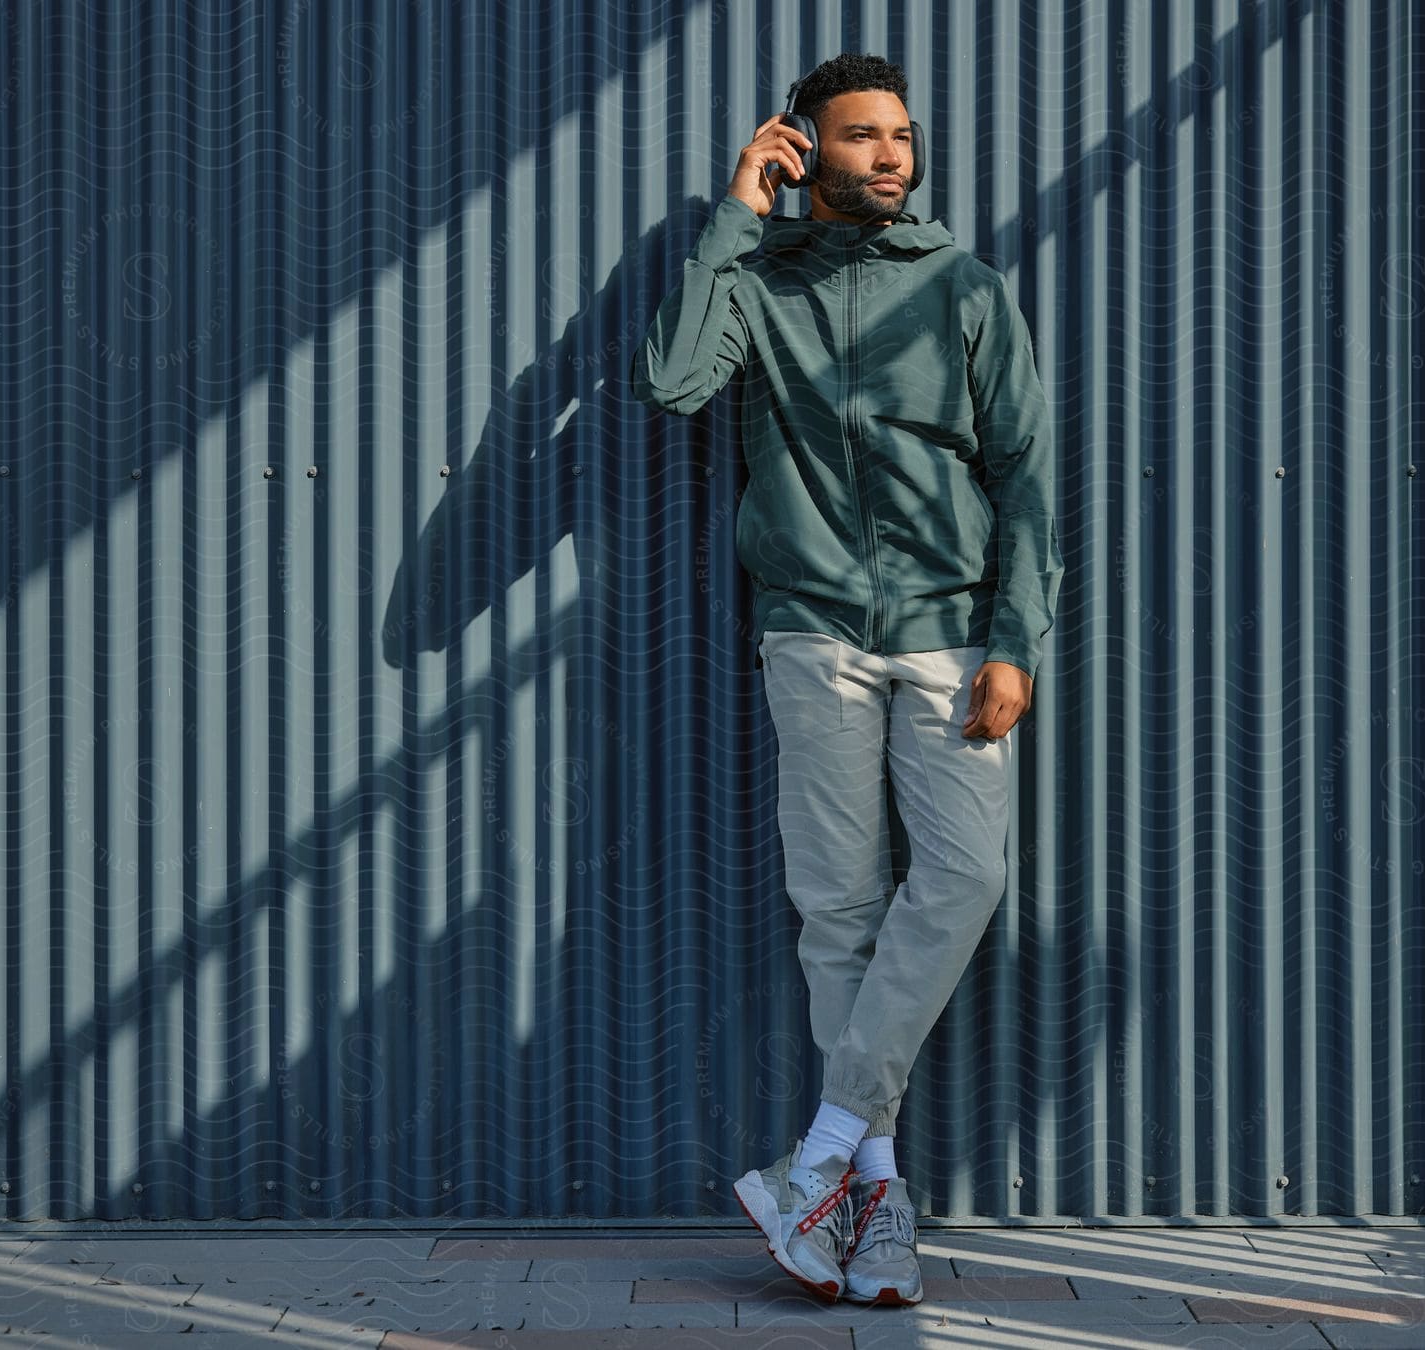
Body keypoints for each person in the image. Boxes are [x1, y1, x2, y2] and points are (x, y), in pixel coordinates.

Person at [630, 51, 1063, 1306]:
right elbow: (672, 383)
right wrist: (733, 217)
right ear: (805, 148)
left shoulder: (968, 290)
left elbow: (1024, 481)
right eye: (863, 137)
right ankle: (874, 1208)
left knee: (968, 871)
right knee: (839, 909)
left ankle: (815, 1154)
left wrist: (1015, 641)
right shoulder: (759, 284)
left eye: (904, 137)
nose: (893, 156)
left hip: (944, 637)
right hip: (812, 632)